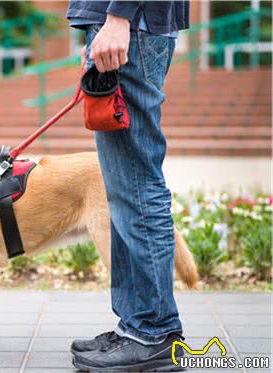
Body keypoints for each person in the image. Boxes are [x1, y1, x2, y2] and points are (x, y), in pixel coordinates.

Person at [66, 1, 190, 371]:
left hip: (130, 25)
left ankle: (154, 334)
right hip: (126, 26)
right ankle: (135, 325)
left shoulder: (123, 21)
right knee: (124, 192)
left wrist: (118, 17)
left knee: (136, 186)